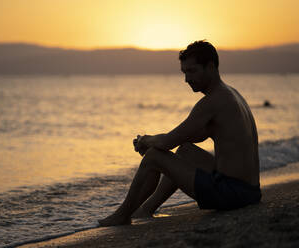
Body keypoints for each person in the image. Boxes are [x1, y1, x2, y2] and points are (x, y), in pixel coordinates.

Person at [98, 40, 261, 227]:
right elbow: (184, 137)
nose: (186, 79)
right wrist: (151, 141)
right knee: (185, 151)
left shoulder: (212, 102)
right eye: (184, 73)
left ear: (210, 67)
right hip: (250, 191)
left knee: (152, 158)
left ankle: (123, 215)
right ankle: (146, 209)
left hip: (232, 195)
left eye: (192, 71)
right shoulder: (231, 94)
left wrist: (146, 141)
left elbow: (167, 142)